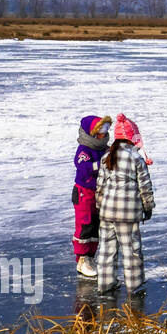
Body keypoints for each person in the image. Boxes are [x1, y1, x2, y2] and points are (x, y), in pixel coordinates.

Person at [95, 113, 155, 295]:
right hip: (127, 214)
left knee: (106, 251)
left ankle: (105, 285)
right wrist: (148, 207)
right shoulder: (136, 158)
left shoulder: (107, 156)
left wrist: (100, 206)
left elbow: (100, 186)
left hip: (107, 213)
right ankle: (134, 287)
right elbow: (144, 186)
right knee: (131, 252)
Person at [71, 115, 111, 279]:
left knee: (96, 225)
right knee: (85, 225)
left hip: (99, 192)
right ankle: (81, 259)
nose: (103, 135)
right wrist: (101, 163)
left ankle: (90, 257)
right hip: (84, 193)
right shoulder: (84, 150)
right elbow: (84, 167)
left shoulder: (104, 148)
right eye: (100, 132)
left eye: (105, 132)